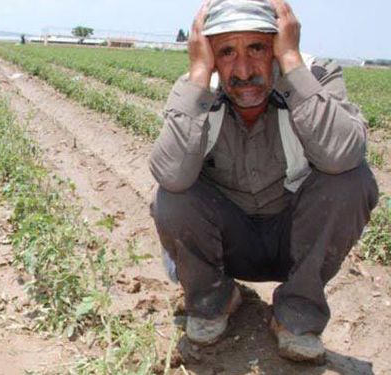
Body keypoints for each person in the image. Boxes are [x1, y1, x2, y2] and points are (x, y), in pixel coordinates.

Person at [149, 0, 379, 362]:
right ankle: (213, 299)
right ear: (208, 53)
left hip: (295, 240)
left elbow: (343, 155)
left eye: (257, 47)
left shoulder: (315, 77)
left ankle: (297, 315)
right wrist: (197, 77)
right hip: (229, 243)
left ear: (279, 44)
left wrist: (292, 66)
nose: (243, 70)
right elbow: (171, 176)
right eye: (226, 52)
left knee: (351, 181)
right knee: (173, 196)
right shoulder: (198, 91)